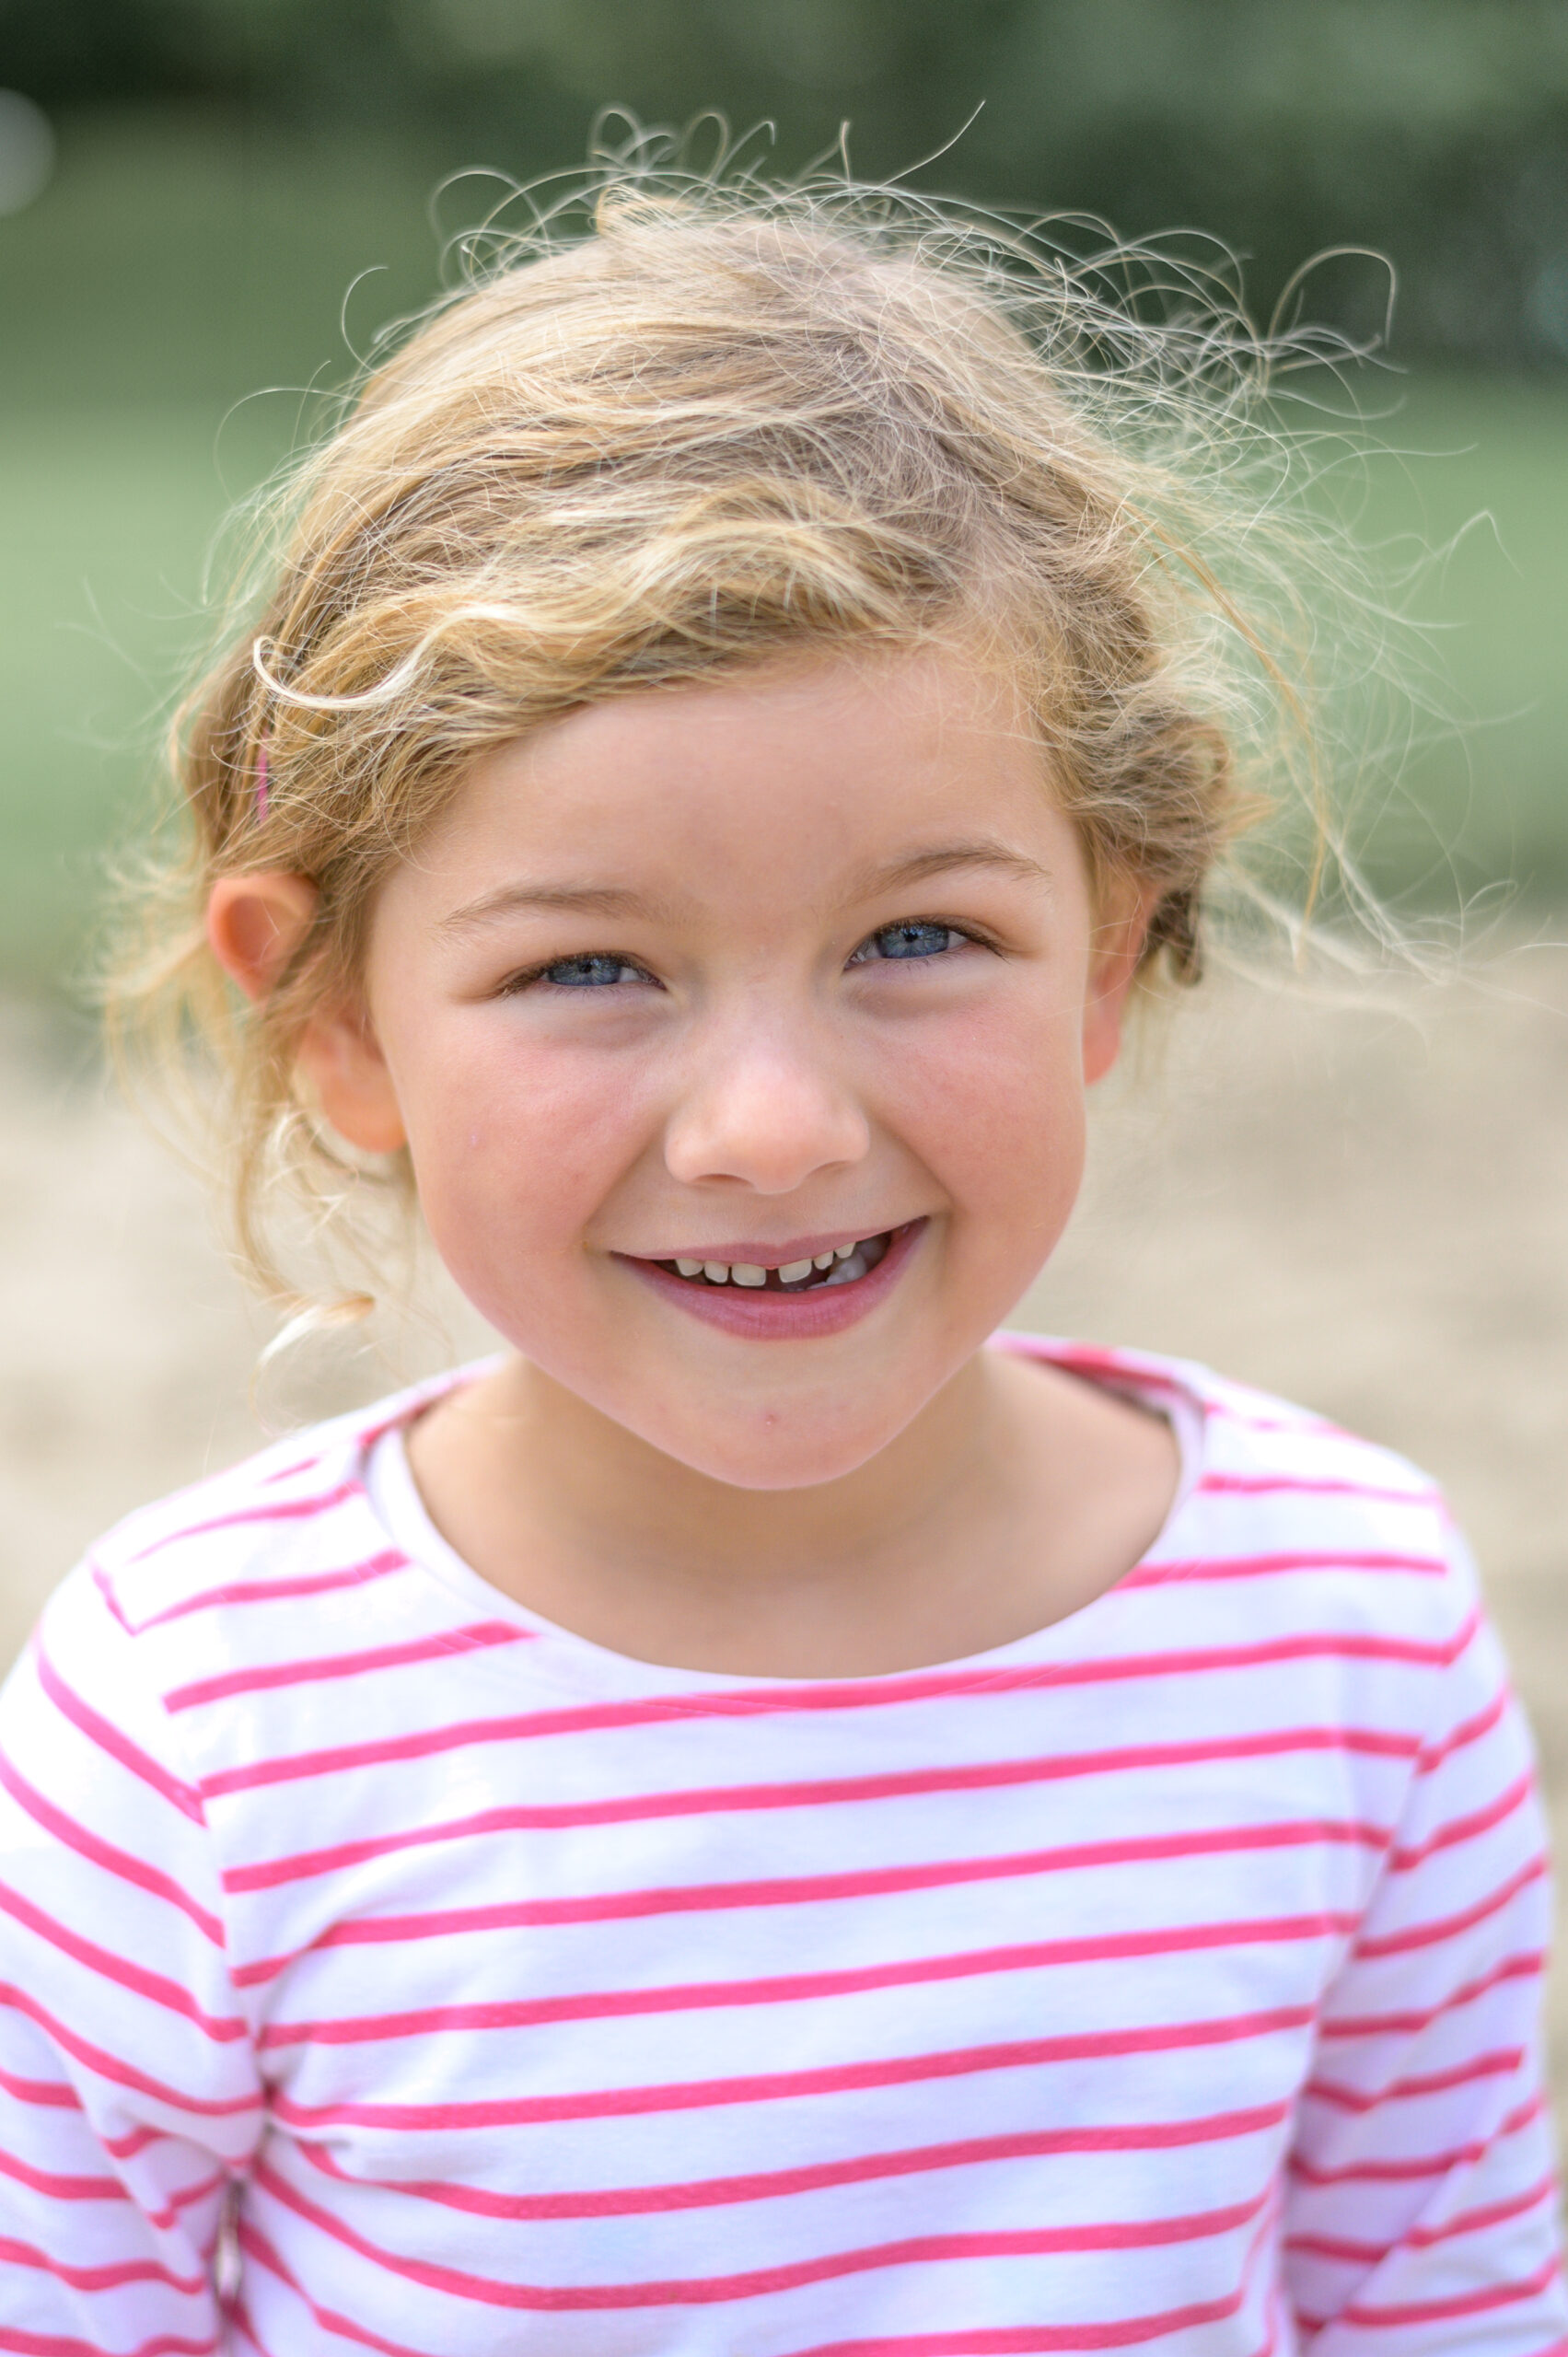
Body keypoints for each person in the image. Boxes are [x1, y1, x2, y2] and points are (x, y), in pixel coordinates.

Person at [0, 161, 1560, 2356]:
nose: (773, 1126)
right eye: (591, 967)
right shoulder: (196, 1725)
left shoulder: (1350, 1636)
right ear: (339, 1024)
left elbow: (1455, 2301)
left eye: (921, 938)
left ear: (1109, 951)